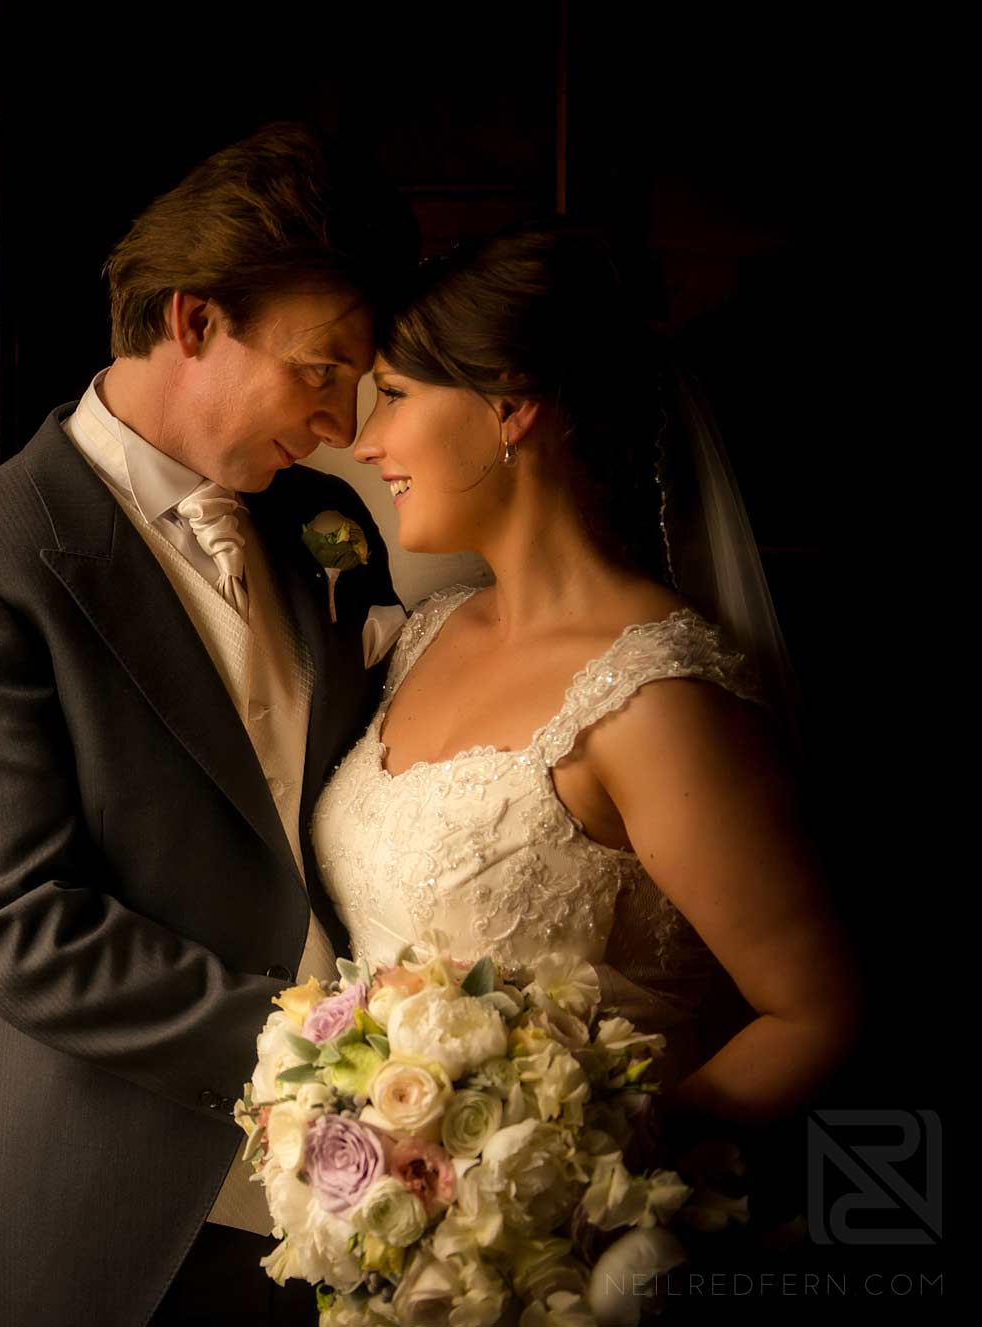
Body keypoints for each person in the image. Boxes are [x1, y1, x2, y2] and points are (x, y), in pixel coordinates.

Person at [0, 123, 417, 1326]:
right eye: (317, 368)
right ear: (191, 322)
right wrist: (338, 1058)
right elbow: (15, 923)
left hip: (375, 1207)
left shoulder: (316, 531)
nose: (342, 418)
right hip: (127, 1205)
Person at [312, 223, 858, 1125]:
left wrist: (580, 1188)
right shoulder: (432, 631)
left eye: (396, 395)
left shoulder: (654, 700)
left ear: (509, 406)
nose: (367, 441)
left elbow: (819, 1013)